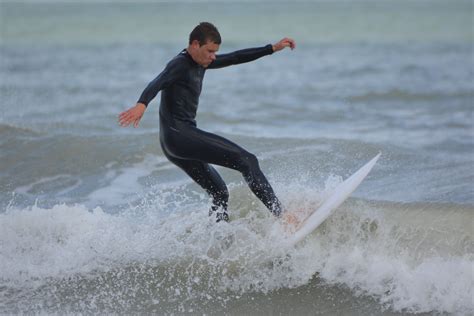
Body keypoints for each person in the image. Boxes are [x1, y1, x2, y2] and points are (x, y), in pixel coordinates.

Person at [119, 22, 296, 223]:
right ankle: (284, 217)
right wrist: (142, 103)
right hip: (180, 135)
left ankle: (216, 241)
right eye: (210, 51)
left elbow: (235, 57)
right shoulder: (180, 64)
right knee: (248, 161)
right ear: (195, 44)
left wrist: (271, 48)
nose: (213, 57)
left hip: (173, 142)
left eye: (215, 52)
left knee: (220, 192)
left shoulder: (200, 61)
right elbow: (158, 82)